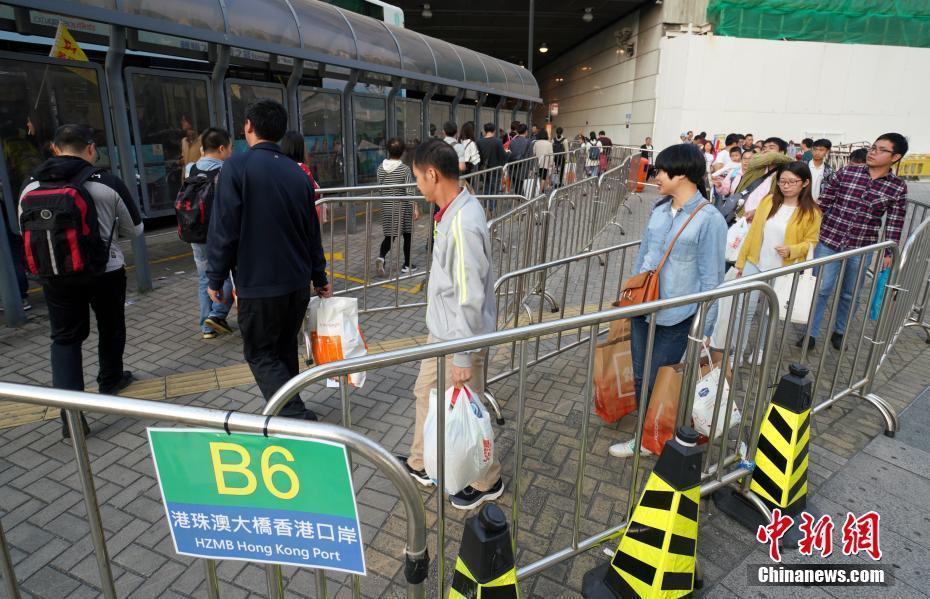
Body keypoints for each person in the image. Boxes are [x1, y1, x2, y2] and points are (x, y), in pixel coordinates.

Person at [207, 100, 330, 419]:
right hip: (296, 284)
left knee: (261, 353)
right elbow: (311, 233)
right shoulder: (298, 173)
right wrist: (320, 277)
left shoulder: (235, 168)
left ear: (248, 126)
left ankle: (295, 415)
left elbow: (225, 229)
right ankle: (287, 410)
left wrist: (215, 277)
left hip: (258, 285)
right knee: (284, 350)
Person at [19, 124, 143, 438]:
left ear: (55, 149)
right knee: (111, 325)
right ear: (90, 148)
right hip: (106, 270)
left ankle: (71, 420)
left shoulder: (30, 187)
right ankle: (111, 379)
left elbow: (26, 232)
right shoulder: (106, 182)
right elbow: (137, 230)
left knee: (64, 339)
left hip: (56, 273)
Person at [400, 139, 502, 509]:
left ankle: (487, 480)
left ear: (432, 174)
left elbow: (470, 295)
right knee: (426, 395)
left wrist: (462, 355)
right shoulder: (453, 211)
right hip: (445, 331)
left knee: (467, 409)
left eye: (417, 178)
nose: (416, 186)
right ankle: (422, 463)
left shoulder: (462, 222)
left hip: (459, 337)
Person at [609, 144, 727, 458]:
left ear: (684, 173)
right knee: (639, 375)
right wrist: (630, 296)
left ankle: (649, 438)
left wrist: (706, 325)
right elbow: (644, 257)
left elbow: (712, 279)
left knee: (658, 379)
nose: (656, 176)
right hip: (642, 309)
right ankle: (647, 434)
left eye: (662, 170)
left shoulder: (709, 219)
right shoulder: (660, 209)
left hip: (676, 316)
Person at [802, 133, 908, 351]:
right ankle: (809, 334)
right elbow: (823, 203)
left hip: (862, 247)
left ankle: (840, 332)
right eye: (873, 147)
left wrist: (889, 253)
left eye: (881, 150)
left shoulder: (897, 187)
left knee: (850, 293)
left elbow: (895, 223)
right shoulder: (847, 172)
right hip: (829, 240)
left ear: (895, 157)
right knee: (821, 289)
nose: (873, 152)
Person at [728, 162, 821, 363]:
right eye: (782, 181)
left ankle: (760, 349)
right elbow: (753, 234)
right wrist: (741, 262)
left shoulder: (812, 212)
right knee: (744, 309)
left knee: (770, 312)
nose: (786, 186)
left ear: (805, 183)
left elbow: (811, 242)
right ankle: (736, 351)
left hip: (783, 269)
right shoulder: (769, 201)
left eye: (791, 182)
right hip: (756, 262)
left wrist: (792, 250)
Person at [181, 127, 234, 339]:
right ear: (222, 148)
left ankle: (207, 327)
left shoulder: (190, 168)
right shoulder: (226, 171)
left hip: (195, 231)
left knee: (204, 277)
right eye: (229, 147)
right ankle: (216, 314)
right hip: (219, 233)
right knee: (226, 275)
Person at [375, 137, 418, 275]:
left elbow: (380, 188)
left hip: (387, 206)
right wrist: (414, 207)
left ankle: (381, 257)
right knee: (407, 235)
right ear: (402, 152)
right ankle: (407, 265)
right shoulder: (404, 169)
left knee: (390, 236)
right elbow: (409, 191)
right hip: (403, 207)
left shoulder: (380, 168)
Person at [476, 122, 506, 196]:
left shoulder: (479, 142)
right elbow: (503, 156)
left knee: (486, 188)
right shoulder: (498, 141)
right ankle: (492, 207)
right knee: (494, 190)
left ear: (485, 130)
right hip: (496, 169)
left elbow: (479, 157)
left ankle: (486, 206)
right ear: (494, 130)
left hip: (484, 170)